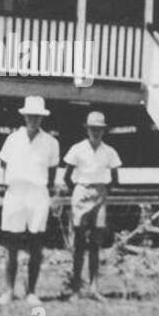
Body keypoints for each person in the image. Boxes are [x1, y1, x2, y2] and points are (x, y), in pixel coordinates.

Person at [0, 96, 60, 306]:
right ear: (24, 116)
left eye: (38, 116)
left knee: (36, 244)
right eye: (30, 116)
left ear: (42, 118)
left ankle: (31, 291)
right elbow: (3, 165)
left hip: (38, 193)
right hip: (16, 192)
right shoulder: (12, 139)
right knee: (12, 244)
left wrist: (46, 195)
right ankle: (9, 291)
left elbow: (51, 172)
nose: (34, 120)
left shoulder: (51, 142)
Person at [63, 111, 122, 300]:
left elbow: (115, 179)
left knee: (96, 243)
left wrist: (101, 192)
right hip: (81, 192)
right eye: (92, 129)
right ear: (87, 129)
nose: (95, 133)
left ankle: (94, 288)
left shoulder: (109, 151)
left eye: (99, 129)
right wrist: (80, 190)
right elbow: (67, 176)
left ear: (104, 131)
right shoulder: (77, 149)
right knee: (79, 242)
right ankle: (75, 289)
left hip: (100, 195)